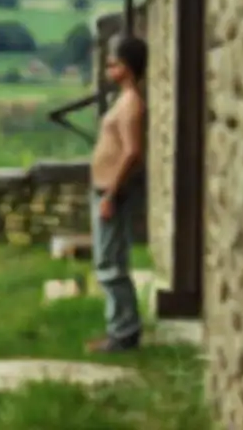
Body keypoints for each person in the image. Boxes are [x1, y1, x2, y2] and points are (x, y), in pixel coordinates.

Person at [85, 34, 147, 354]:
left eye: (115, 61)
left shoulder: (132, 104)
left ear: (129, 66)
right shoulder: (122, 100)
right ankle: (118, 330)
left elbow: (133, 151)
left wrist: (110, 194)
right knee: (106, 261)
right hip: (104, 189)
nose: (109, 65)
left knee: (111, 264)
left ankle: (124, 333)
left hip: (113, 192)